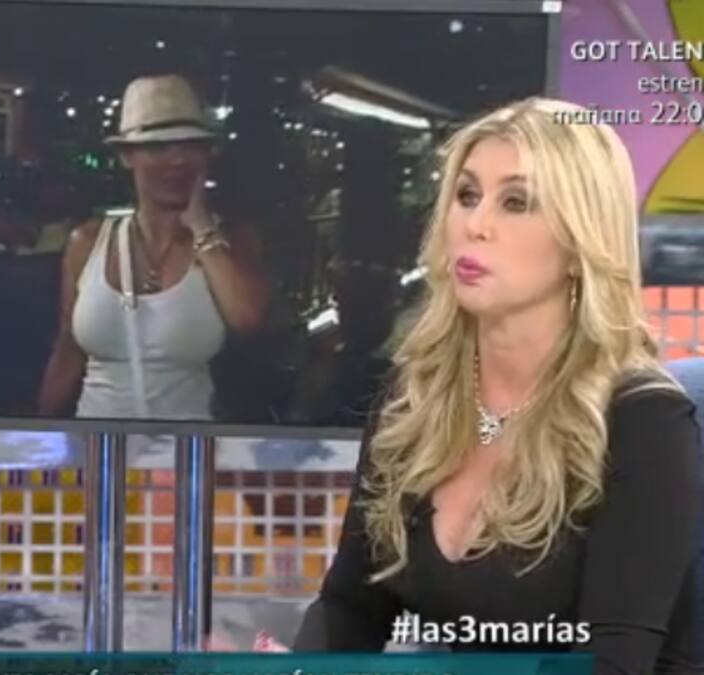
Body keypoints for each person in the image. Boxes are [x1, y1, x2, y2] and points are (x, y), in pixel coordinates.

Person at [288, 98, 702, 674]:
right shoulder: (415, 399)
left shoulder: (642, 422)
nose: (475, 225)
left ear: (580, 241)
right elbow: (352, 606)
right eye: (466, 195)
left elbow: (610, 663)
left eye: (516, 202)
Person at [37, 74, 269, 421]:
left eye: (191, 146)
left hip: (187, 446)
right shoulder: (88, 242)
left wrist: (201, 226)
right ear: (126, 156)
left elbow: (248, 319)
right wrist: (33, 433)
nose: (177, 160)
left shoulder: (231, 240)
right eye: (158, 147)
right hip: (97, 443)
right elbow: (68, 350)